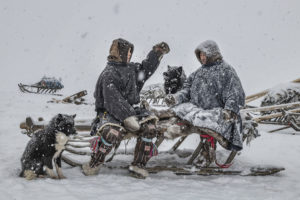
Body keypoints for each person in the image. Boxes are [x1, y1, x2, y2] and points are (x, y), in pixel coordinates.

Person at [82, 38, 169, 178]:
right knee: (112, 132)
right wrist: (127, 117)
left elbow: (145, 69)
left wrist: (156, 53)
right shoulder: (108, 73)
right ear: (119, 52)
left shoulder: (131, 69)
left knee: (150, 128)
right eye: (127, 52)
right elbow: (113, 100)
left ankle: (138, 165)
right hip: (110, 113)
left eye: (130, 52)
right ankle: (95, 163)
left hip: (132, 111)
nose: (129, 55)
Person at [165, 40, 245, 151]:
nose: (202, 58)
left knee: (201, 119)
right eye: (200, 55)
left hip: (216, 112)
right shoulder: (198, 72)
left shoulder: (226, 70)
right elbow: (187, 90)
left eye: (204, 54)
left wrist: (230, 110)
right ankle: (171, 128)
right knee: (177, 111)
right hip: (197, 109)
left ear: (212, 53)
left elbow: (234, 93)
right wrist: (176, 97)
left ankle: (206, 154)